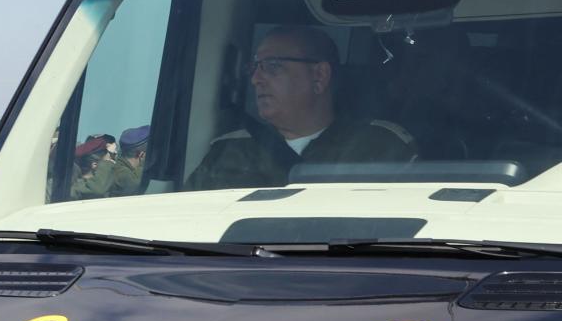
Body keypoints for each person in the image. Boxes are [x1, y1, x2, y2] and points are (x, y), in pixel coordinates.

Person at [186, 26, 417, 191]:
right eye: (254, 68)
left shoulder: (382, 146)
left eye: (272, 66)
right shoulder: (228, 150)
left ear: (319, 76)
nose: (256, 79)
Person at [109, 126, 149, 197]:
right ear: (141, 155)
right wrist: (144, 164)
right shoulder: (122, 173)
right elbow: (135, 184)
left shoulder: (120, 168)